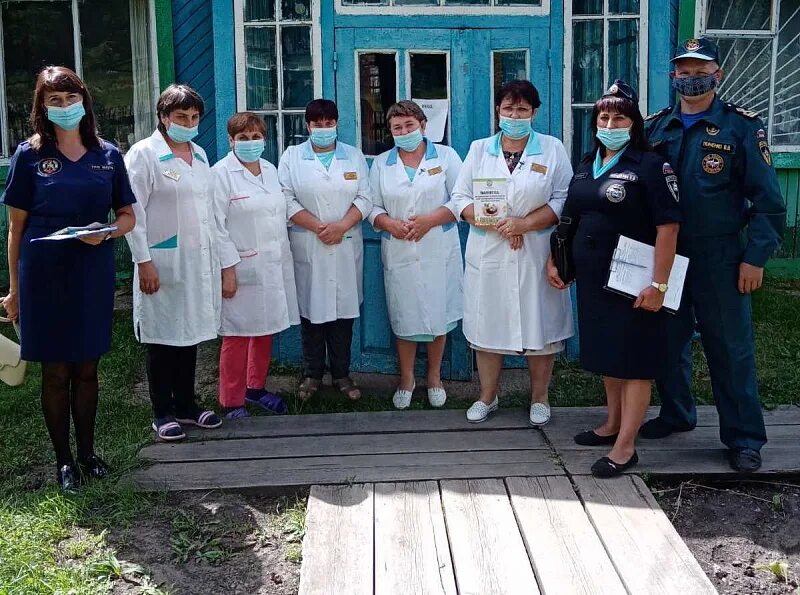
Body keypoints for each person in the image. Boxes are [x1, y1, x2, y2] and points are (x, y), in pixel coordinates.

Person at [642, 38, 785, 472]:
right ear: (673, 77)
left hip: (720, 255)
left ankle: (744, 438)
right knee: (667, 340)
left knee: (730, 347)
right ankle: (677, 412)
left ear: (717, 74)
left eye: (699, 70)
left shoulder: (741, 126)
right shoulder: (655, 127)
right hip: (667, 253)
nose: (691, 78)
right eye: (683, 72)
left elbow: (768, 201)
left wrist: (755, 257)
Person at [1, 66, 136, 492]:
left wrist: (109, 232)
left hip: (90, 270)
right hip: (43, 271)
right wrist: (15, 290)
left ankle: (89, 453)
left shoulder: (108, 155)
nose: (64, 107)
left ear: (84, 101)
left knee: (88, 368)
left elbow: (128, 215)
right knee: (55, 371)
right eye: (54, 100)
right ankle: (63, 461)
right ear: (41, 106)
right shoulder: (29, 155)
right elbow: (16, 229)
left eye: (71, 98)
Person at [547, 80, 681, 477]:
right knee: (609, 354)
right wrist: (557, 260)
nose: (609, 123)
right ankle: (611, 424)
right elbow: (571, 215)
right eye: (603, 116)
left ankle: (626, 446)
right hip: (593, 278)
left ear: (633, 123)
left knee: (635, 361)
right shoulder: (589, 163)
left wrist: (658, 285)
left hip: (636, 280)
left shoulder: (653, 166)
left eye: (618, 117)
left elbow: (669, 229)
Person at [450, 80, 574, 426]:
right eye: (508, 109)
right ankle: (487, 396)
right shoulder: (479, 150)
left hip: (536, 250)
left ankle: (540, 397)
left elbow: (564, 198)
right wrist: (502, 225)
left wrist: (526, 224)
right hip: (490, 249)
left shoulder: (551, 149)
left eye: (522, 110)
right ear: (497, 111)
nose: (514, 115)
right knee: (487, 324)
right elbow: (460, 199)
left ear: (534, 112)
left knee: (540, 325)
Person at [124, 84, 223, 442]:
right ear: (164, 117)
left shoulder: (198, 154)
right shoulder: (144, 154)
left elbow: (206, 209)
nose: (189, 122)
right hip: (160, 260)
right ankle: (161, 411)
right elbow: (132, 212)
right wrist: (144, 262)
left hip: (196, 261)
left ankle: (187, 405)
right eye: (181, 116)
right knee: (162, 336)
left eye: (194, 117)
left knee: (189, 334)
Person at [368, 101, 464, 409]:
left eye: (410, 125)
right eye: (397, 128)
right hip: (400, 248)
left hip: (437, 247)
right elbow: (371, 206)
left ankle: (434, 377)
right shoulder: (382, 162)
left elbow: (462, 199)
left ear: (423, 125)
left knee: (438, 314)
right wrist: (390, 224)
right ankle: (407, 379)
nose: (404, 132)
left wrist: (429, 221)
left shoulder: (446, 157)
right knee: (404, 314)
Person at [278, 99, 372, 401]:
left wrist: (341, 226)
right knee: (312, 313)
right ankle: (312, 374)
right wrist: (319, 227)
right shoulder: (292, 157)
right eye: (317, 123)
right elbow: (285, 199)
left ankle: (342, 374)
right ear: (308, 126)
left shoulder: (353, 156)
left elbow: (365, 198)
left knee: (344, 315)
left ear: (336, 125)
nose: (323, 128)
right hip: (310, 242)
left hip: (345, 242)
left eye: (328, 122)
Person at [212, 112, 300, 419]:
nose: (251, 143)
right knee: (236, 333)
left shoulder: (270, 169)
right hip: (240, 266)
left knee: (265, 329)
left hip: (273, 263)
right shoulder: (220, 174)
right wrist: (227, 269)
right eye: (243, 138)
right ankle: (231, 400)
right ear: (231, 141)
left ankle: (255, 387)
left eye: (256, 137)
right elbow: (216, 226)